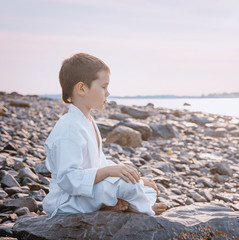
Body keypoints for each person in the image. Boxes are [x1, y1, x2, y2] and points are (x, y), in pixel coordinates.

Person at [42, 53, 166, 219]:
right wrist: (109, 172)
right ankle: (140, 207)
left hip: (86, 191)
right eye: (103, 87)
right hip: (67, 200)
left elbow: (99, 162)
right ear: (82, 89)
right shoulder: (69, 127)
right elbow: (68, 179)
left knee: (144, 185)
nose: (108, 93)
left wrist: (133, 177)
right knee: (128, 186)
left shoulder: (87, 120)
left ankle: (117, 203)